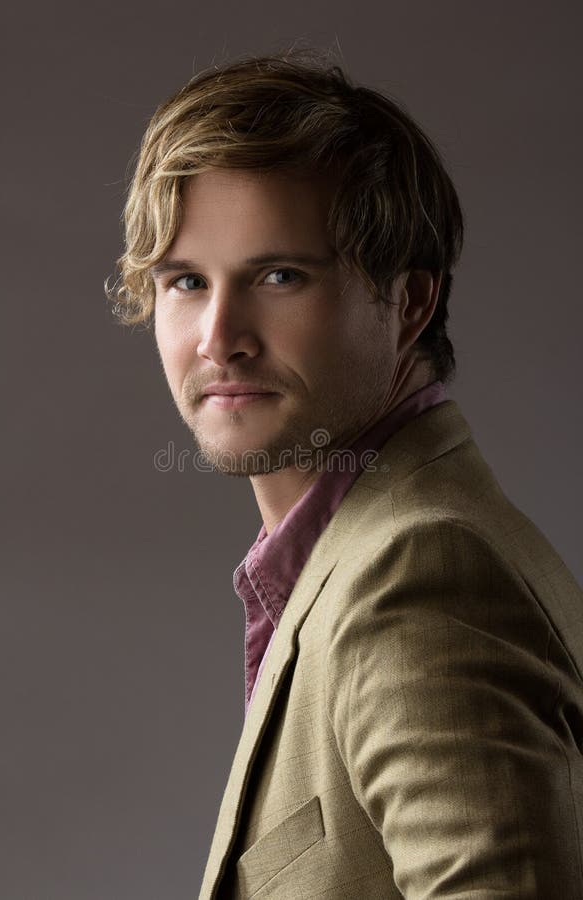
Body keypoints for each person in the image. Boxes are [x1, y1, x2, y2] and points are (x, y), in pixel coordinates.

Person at [107, 47, 583, 899]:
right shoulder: (365, 549)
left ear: (409, 302)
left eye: (279, 275)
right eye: (185, 281)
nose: (220, 336)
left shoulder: (422, 573)